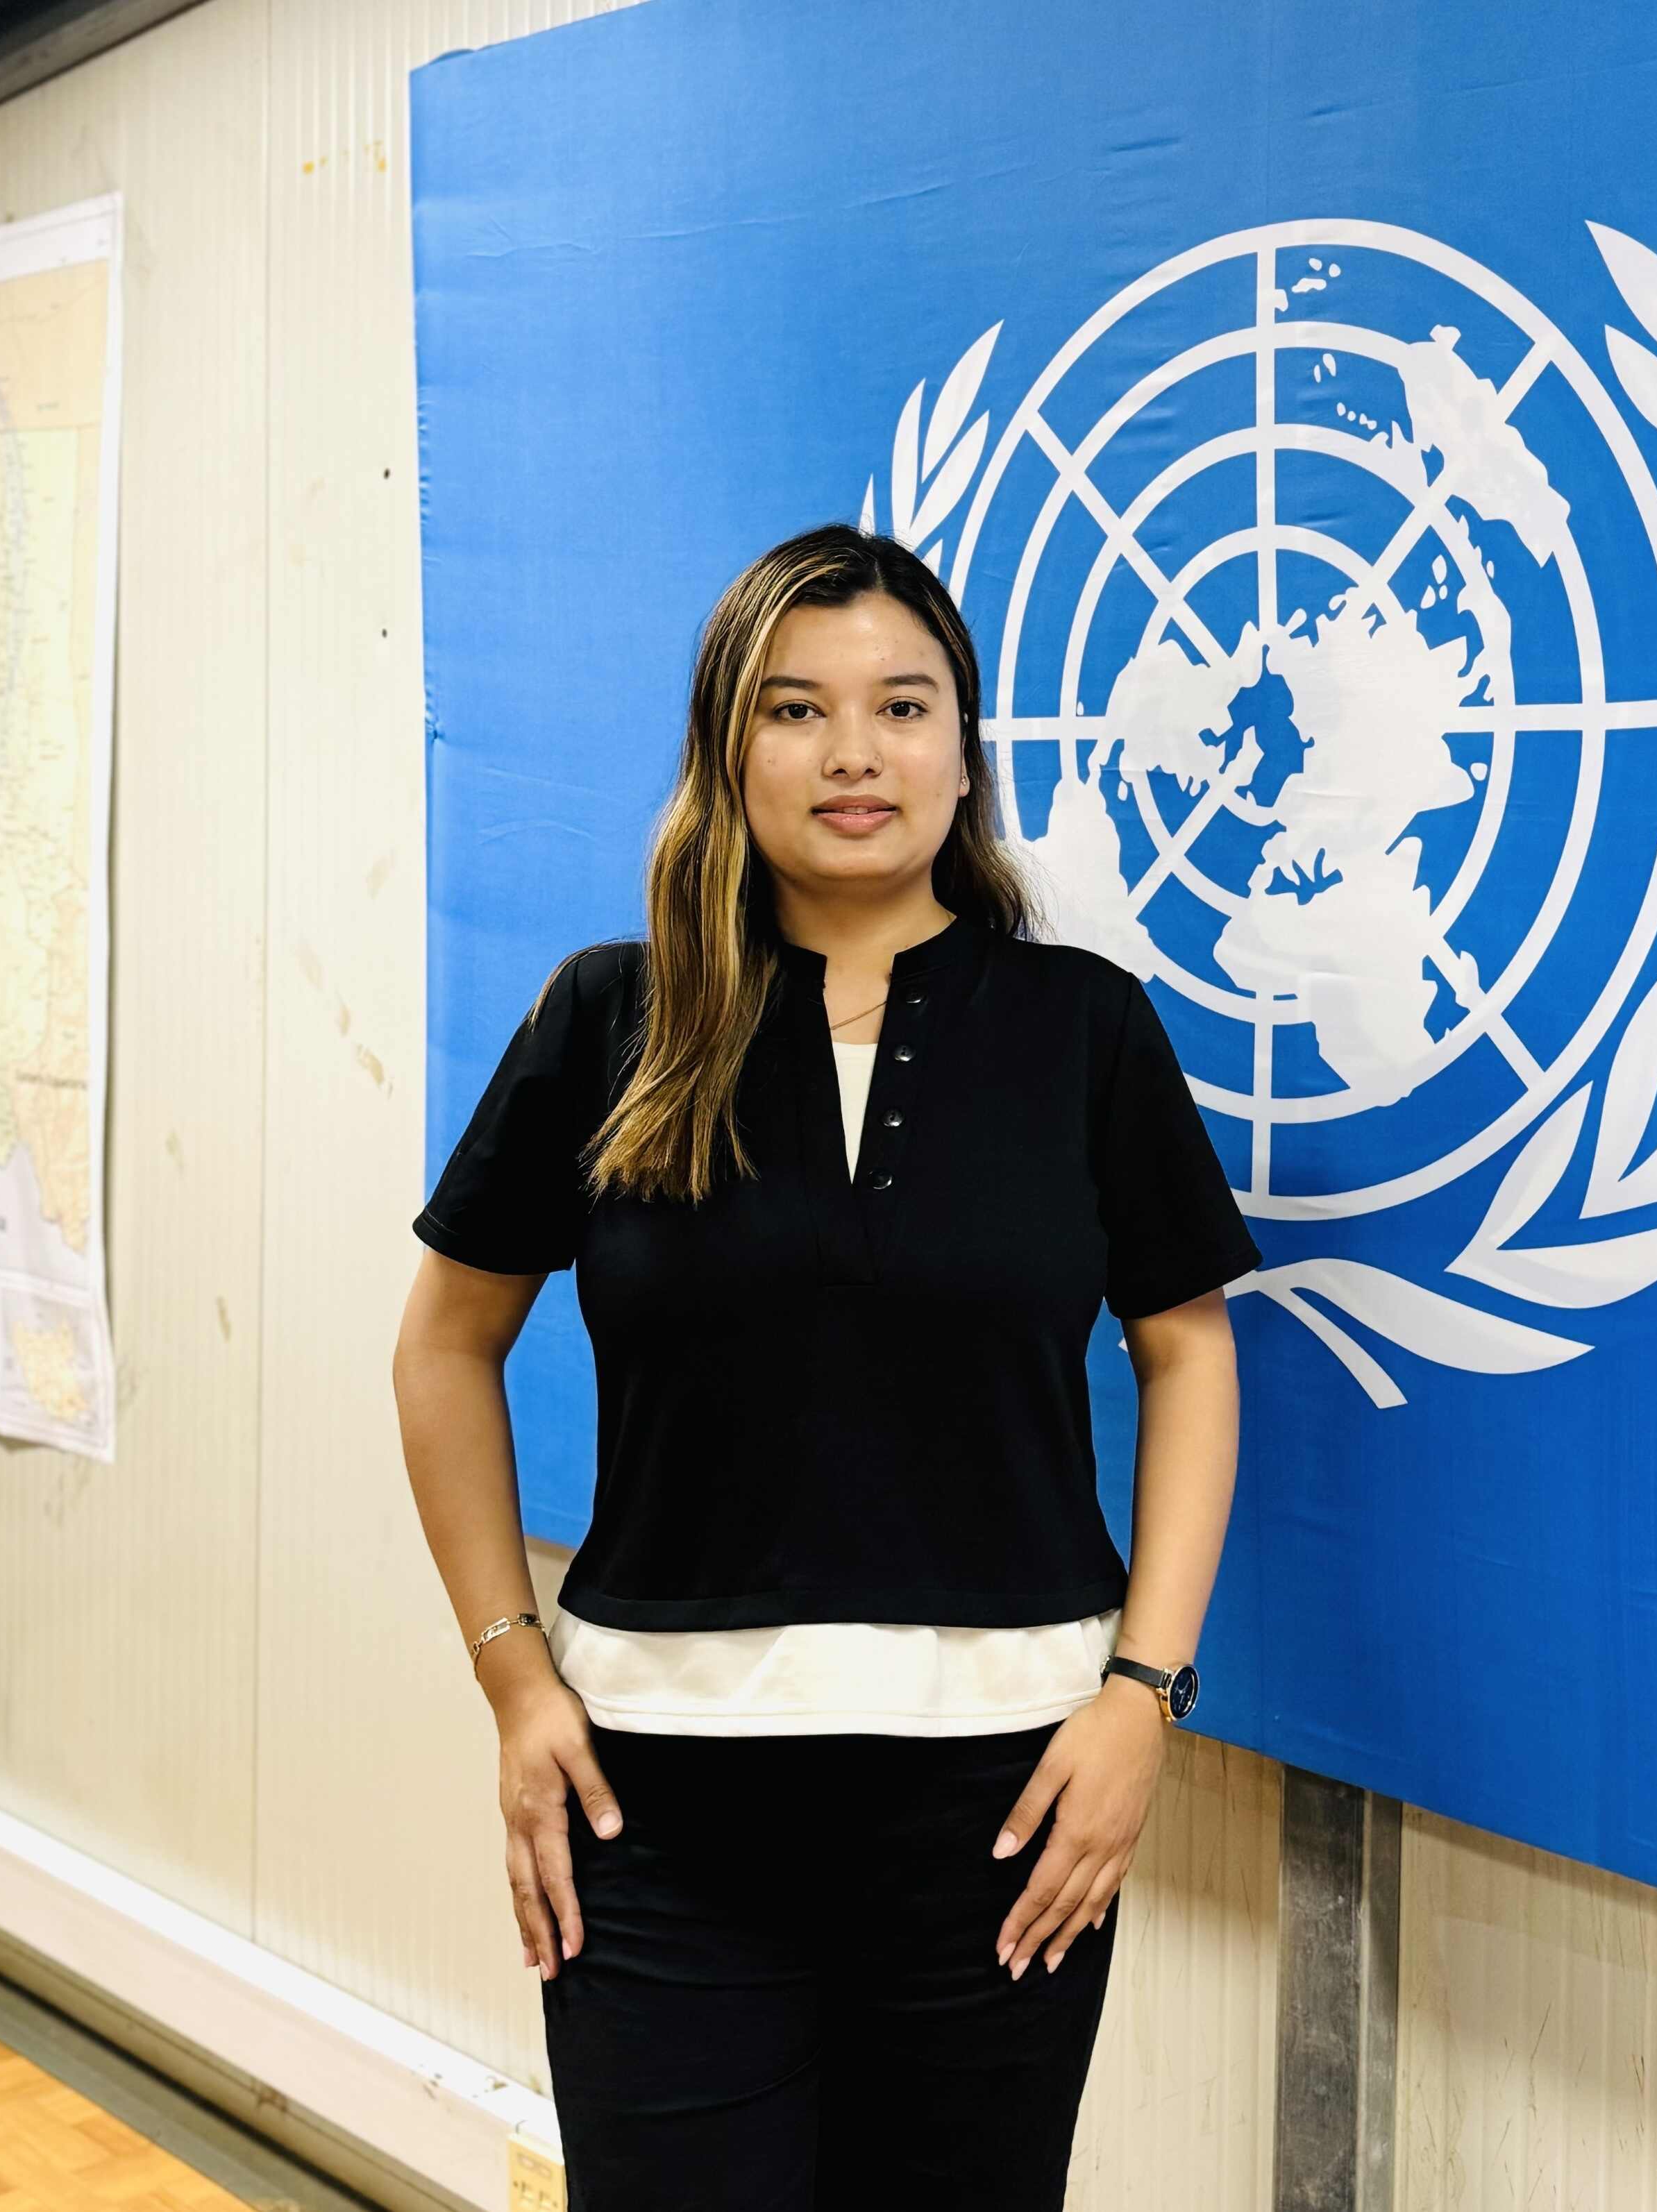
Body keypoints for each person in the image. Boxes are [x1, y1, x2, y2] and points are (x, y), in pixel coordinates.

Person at [388, 523, 1260, 2209]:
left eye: (902, 707)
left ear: (963, 752)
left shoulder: (1083, 1029)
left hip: (1008, 1805)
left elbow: (1188, 1356)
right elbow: (444, 1343)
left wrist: (1141, 1696)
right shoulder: (611, 1017)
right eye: (796, 709)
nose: (855, 752)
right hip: (653, 1808)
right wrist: (512, 1676)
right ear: (729, 749)